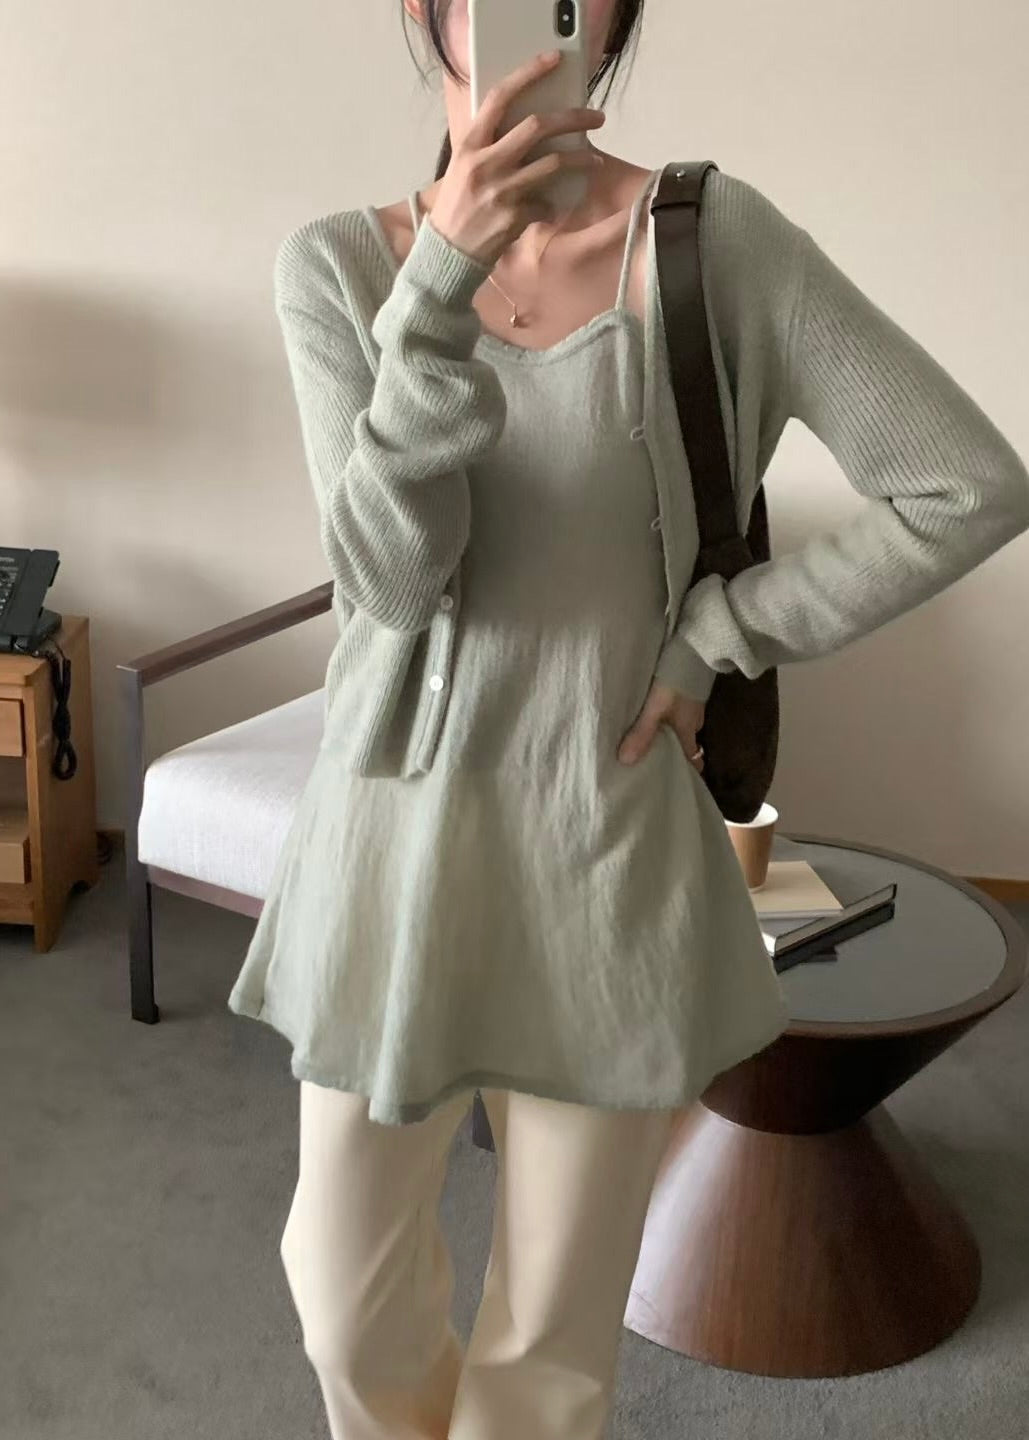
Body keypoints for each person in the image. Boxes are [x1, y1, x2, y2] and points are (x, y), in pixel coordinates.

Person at [228, 2, 1029, 1436]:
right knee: (341, 1298)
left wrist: (724, 633)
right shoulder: (339, 267)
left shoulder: (712, 247)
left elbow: (965, 483)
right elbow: (392, 582)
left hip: (601, 844)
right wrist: (441, 284)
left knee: (550, 1348)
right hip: (389, 849)